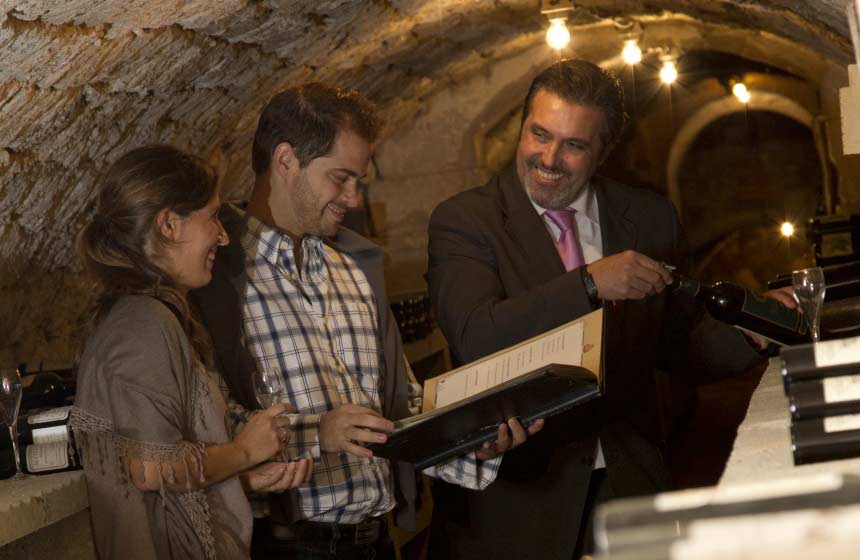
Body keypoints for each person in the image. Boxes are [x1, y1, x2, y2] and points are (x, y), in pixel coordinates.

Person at [426, 59, 796, 559]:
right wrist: (589, 284)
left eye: (574, 145)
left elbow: (680, 344)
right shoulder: (465, 220)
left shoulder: (648, 216)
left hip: (631, 482)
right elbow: (476, 335)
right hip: (516, 507)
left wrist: (752, 331)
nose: (549, 157)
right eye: (539, 134)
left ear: (602, 151)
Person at [191, 82, 543, 559]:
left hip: (378, 543)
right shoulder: (210, 281)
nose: (354, 199)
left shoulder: (356, 270)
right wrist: (319, 433)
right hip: (284, 549)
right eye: (340, 178)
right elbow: (201, 436)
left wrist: (475, 442)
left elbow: (402, 410)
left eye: (360, 180)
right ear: (285, 160)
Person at [71, 145, 313, 560]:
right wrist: (243, 451)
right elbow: (151, 469)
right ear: (169, 225)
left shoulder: (151, 314)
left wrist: (244, 478)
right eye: (213, 217)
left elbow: (166, 473)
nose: (222, 235)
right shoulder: (142, 322)